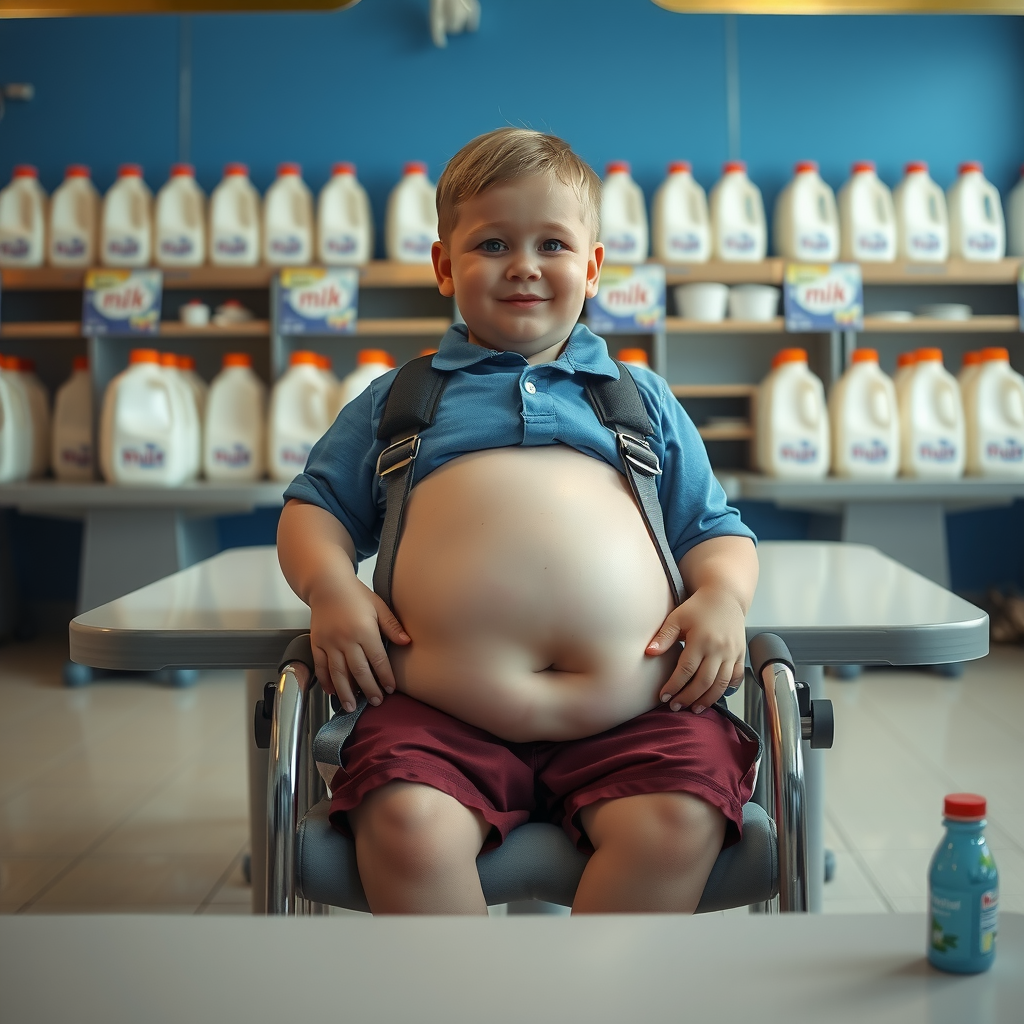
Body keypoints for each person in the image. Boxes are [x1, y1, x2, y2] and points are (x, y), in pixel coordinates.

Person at [277, 128, 759, 914]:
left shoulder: (636, 399)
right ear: (444, 266)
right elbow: (315, 511)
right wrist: (331, 587)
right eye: (493, 243)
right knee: (405, 822)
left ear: (593, 267)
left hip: (639, 717)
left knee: (676, 819)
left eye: (553, 244)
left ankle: (592, 986)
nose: (524, 265)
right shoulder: (404, 399)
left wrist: (723, 598)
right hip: (436, 718)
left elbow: (713, 531)